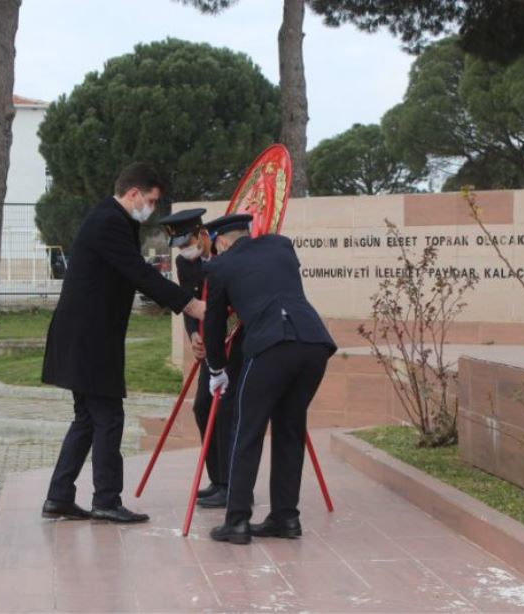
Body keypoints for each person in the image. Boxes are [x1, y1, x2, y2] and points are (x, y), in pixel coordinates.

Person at [41, 162, 205, 523]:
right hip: (89, 338)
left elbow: (131, 273)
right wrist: (189, 303)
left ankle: (59, 496)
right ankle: (106, 500)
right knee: (107, 417)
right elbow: (139, 272)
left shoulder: (112, 219)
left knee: (86, 418)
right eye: (150, 200)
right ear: (133, 193)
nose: (151, 208)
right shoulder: (110, 222)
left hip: (84, 335)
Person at [202, 214, 337, 544]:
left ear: (220, 241)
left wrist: (216, 370)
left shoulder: (219, 268)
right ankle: (285, 518)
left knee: (245, 430)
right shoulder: (281, 245)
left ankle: (236, 521)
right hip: (314, 343)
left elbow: (215, 325)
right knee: (290, 429)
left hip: (271, 347)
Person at [158, 209, 245, 508]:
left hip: (238, 344)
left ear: (204, 235)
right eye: (181, 247)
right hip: (211, 347)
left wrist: (216, 336)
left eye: (188, 243)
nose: (186, 251)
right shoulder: (186, 263)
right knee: (202, 408)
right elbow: (188, 301)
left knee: (225, 412)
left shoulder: (228, 255)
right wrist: (195, 335)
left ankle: (233, 484)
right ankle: (217, 480)